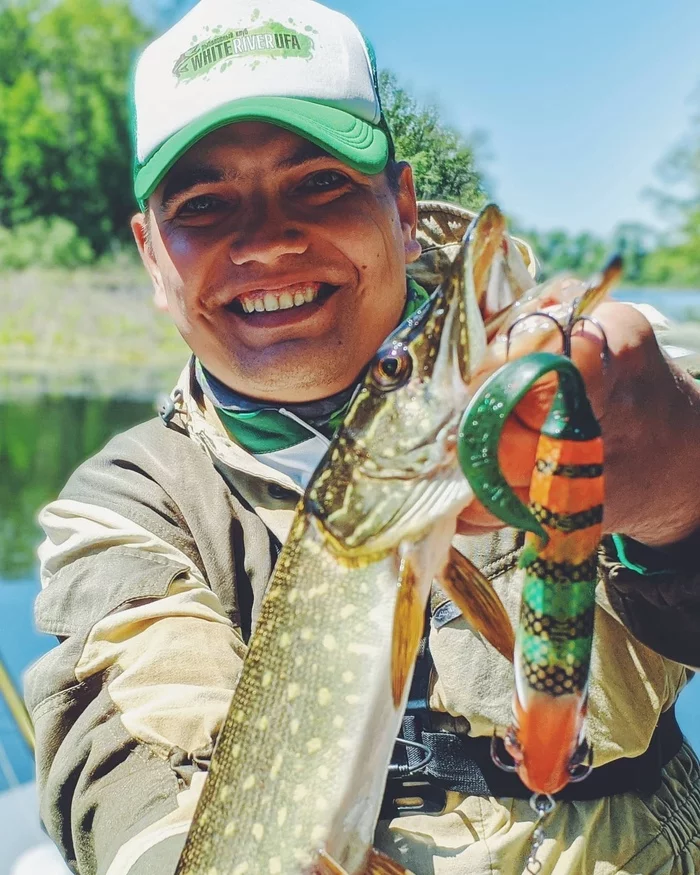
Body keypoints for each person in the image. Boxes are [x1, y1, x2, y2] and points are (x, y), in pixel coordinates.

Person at [26, 0, 700, 873]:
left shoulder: (600, 367)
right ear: (154, 256)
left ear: (405, 205)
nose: (268, 240)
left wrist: (680, 487)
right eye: (205, 203)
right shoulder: (122, 513)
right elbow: (125, 773)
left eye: (319, 181)